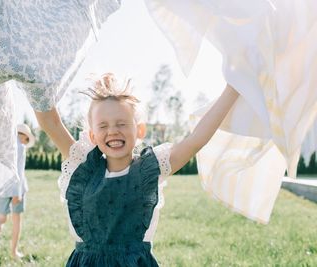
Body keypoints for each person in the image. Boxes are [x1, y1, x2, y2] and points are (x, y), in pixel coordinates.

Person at [35, 73, 239, 266]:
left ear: (139, 130)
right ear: (93, 136)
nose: (113, 130)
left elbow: (195, 141)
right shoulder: (83, 167)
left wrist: (233, 88)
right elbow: (49, 121)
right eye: (103, 126)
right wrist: (31, 77)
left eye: (121, 123)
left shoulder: (149, 170)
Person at [0, 124, 35, 263]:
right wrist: (17, 193)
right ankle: (14, 252)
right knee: (16, 221)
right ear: (23, 136)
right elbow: (19, 170)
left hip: (3, 188)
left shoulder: (6, 146)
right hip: (16, 189)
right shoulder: (21, 147)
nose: (26, 142)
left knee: (0, 219)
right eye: (26, 139)